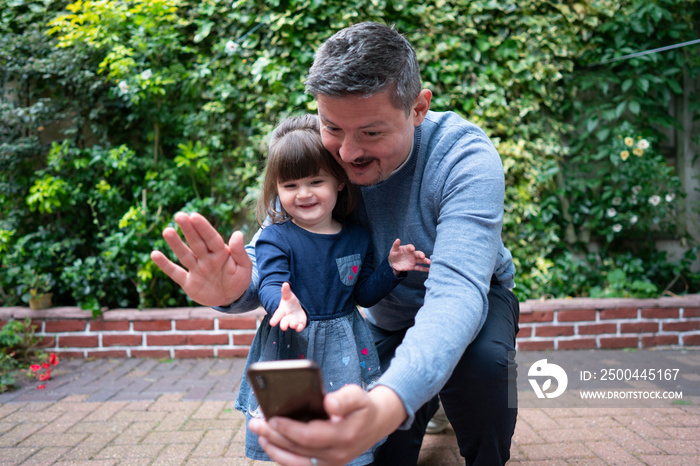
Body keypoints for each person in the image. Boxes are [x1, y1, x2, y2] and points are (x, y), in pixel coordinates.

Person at [151, 21, 520, 466]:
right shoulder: (317, 152)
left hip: (476, 303)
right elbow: (277, 251)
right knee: (371, 451)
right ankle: (426, 393)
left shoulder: (465, 158)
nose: (346, 153)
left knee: (482, 369)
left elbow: (457, 293)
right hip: (385, 316)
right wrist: (232, 291)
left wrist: (389, 402)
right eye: (333, 128)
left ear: (418, 109)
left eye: (371, 133)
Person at [234, 114, 430, 464]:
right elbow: (270, 282)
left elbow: (363, 294)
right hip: (290, 344)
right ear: (276, 189)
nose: (304, 194)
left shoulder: (357, 236)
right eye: (290, 186)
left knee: (345, 429)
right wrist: (283, 305)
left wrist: (392, 269)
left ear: (339, 181)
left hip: (346, 346)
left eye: (315, 181)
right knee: (291, 434)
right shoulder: (275, 238)